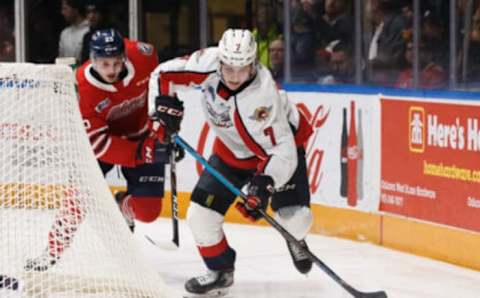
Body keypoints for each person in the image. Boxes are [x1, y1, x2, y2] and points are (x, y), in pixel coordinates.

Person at [148, 28, 314, 296]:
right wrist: (161, 109)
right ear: (221, 61)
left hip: (276, 151)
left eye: (244, 69)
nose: (235, 76)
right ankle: (220, 272)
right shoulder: (207, 63)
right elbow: (162, 75)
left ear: (254, 64)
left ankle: (297, 239)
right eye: (229, 68)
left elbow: (282, 150)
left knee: (296, 220)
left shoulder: (263, 96)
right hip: (232, 151)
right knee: (200, 216)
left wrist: (264, 185)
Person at [24, 28, 172, 272]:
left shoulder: (143, 55)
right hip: (106, 142)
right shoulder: (83, 88)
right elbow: (99, 144)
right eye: (105, 64)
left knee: (148, 212)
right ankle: (51, 252)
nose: (112, 70)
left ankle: (121, 205)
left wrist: (166, 113)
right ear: (92, 60)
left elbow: (163, 78)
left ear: (124, 56)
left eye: (116, 62)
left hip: (142, 133)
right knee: (79, 196)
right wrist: (142, 153)